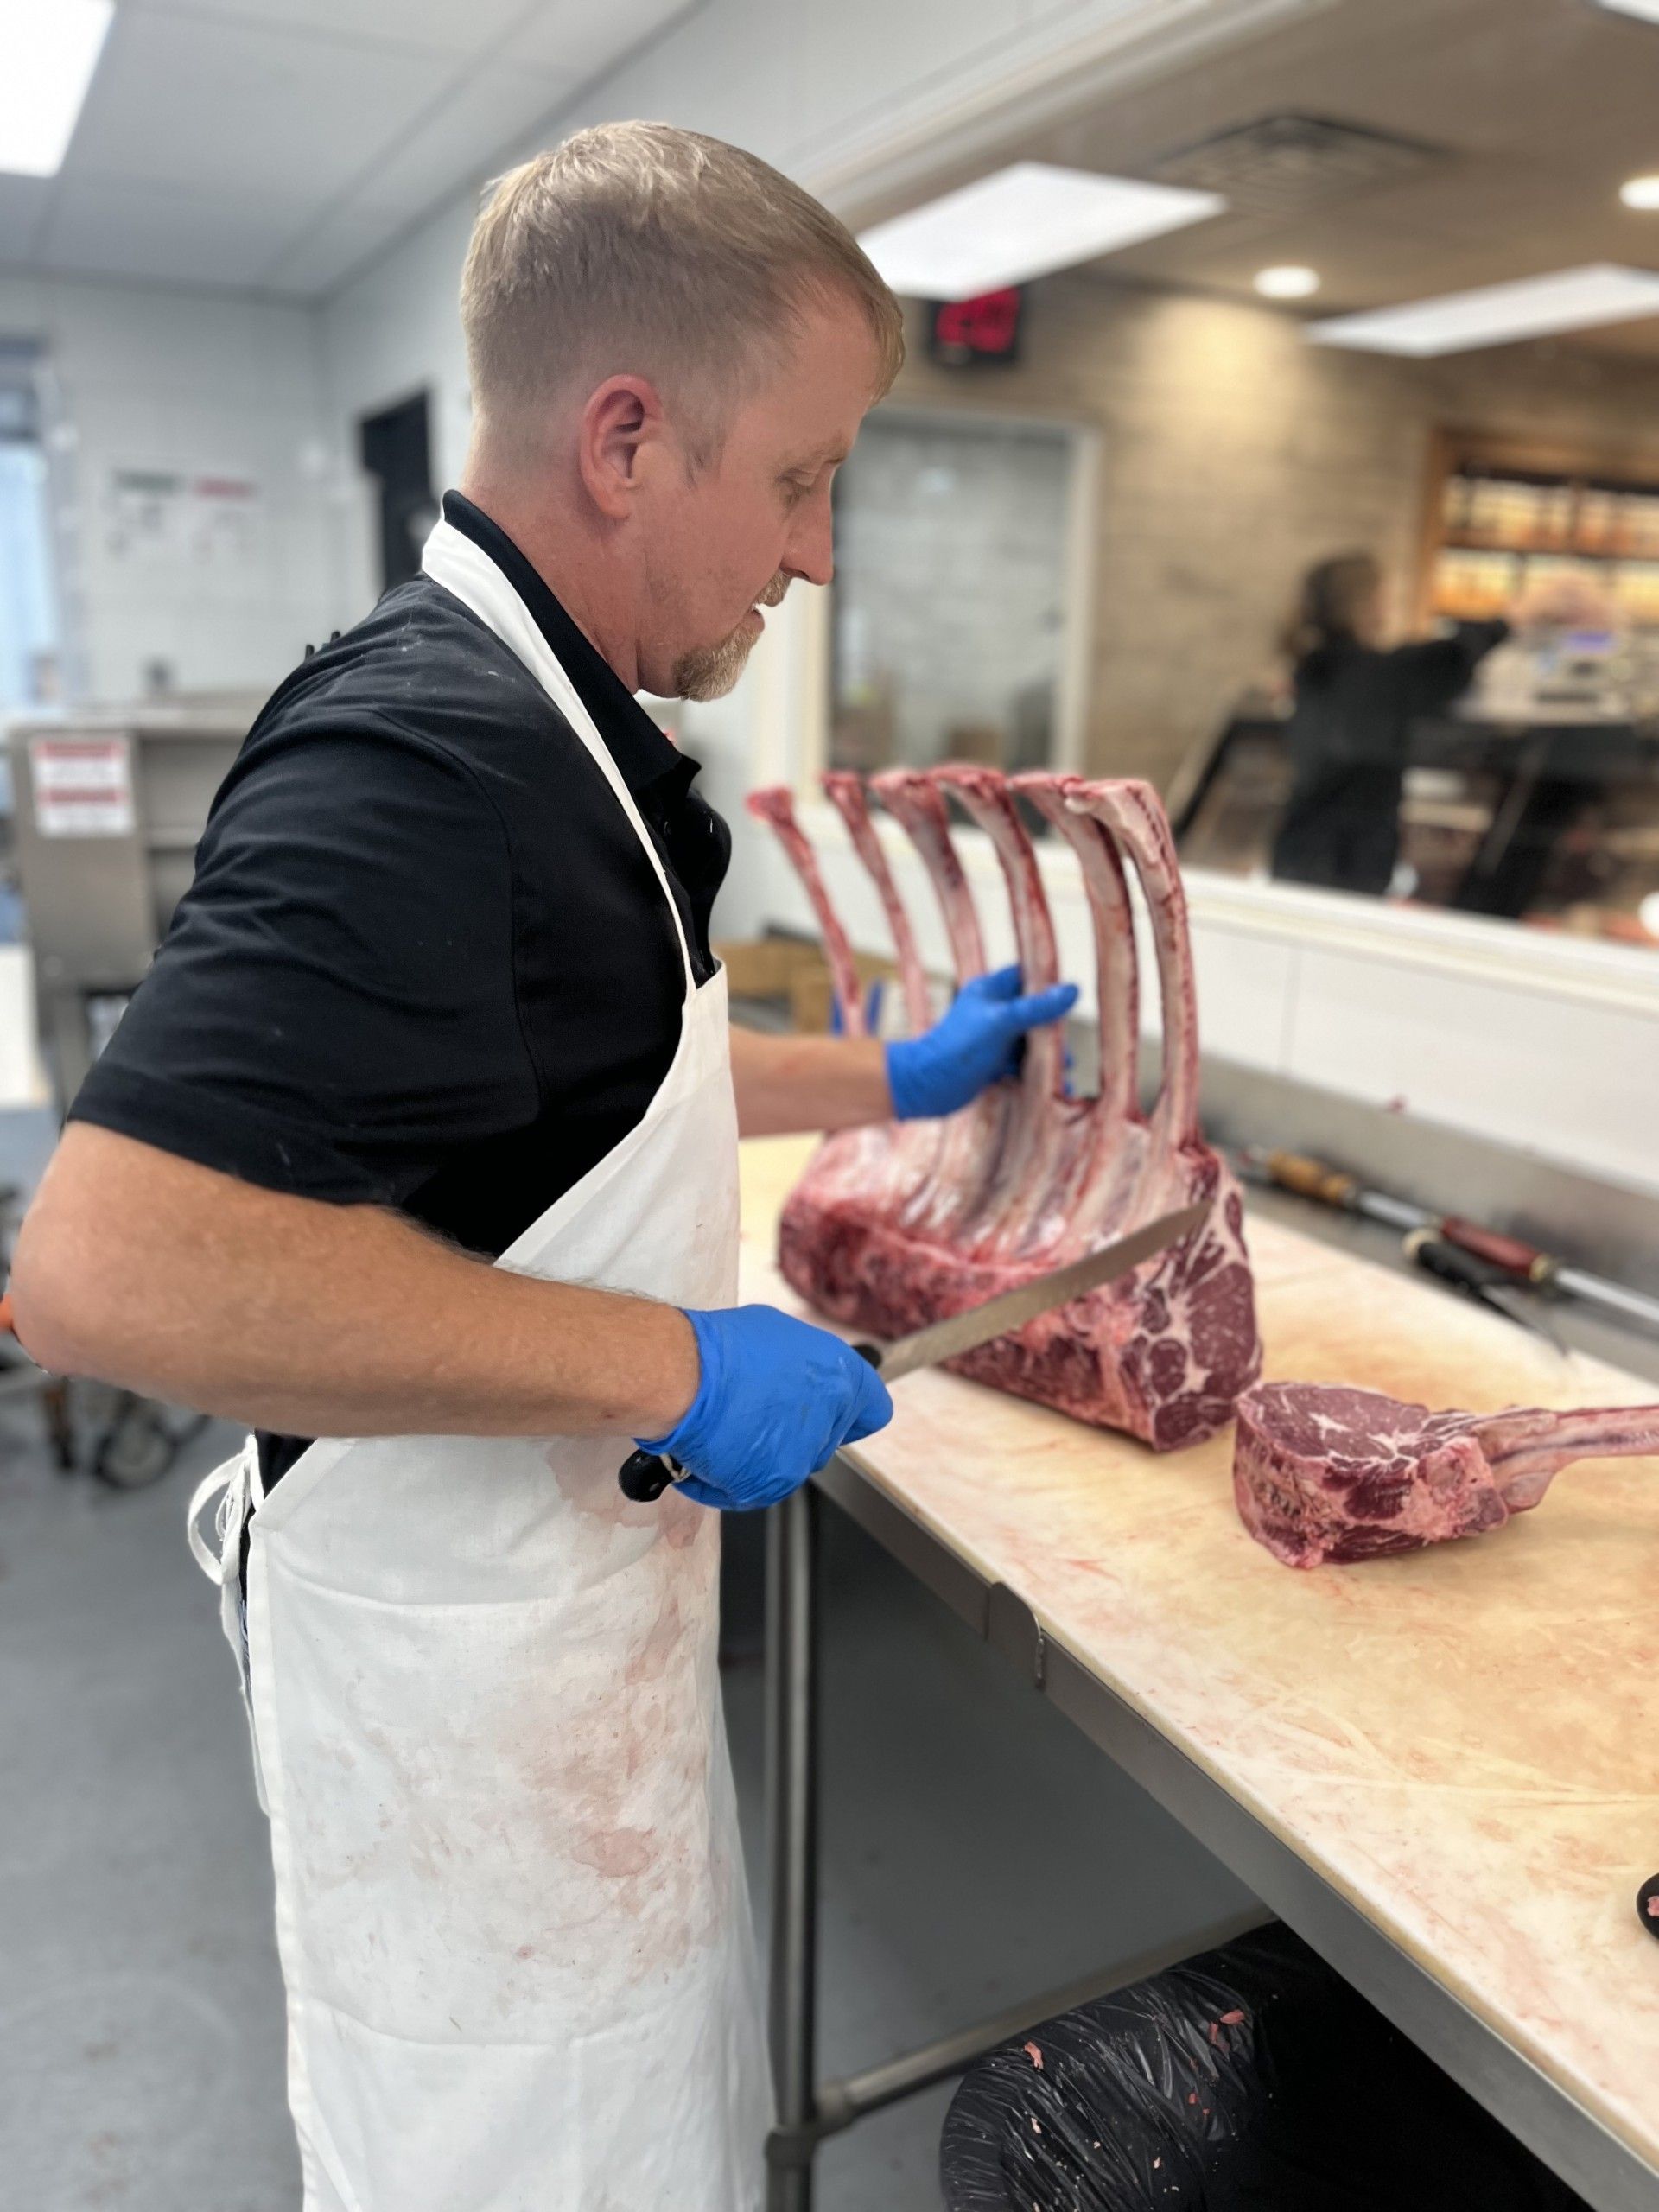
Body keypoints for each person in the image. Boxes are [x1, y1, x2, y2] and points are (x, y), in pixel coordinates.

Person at [7, 125, 1077, 2212]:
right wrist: (671, 1365)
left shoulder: (552, 729)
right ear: (620, 437)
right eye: (797, 477)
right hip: (460, 1710)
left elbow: (602, 1061)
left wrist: (899, 1065)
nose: (818, 549)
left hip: (562, 1664)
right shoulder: (427, 754)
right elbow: (103, 1271)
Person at [1270, 550, 1509, 896]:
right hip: (1342, 862)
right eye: (1385, 596)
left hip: (1306, 854)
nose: (1390, 605)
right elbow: (1449, 659)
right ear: (1364, 604)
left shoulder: (1313, 666)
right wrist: (1511, 620)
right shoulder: (1369, 675)